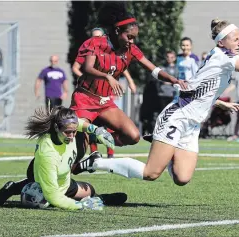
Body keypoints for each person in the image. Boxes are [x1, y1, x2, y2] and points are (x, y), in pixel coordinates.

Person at [72, 18, 239, 186]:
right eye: (235, 39)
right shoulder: (224, 59)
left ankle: (165, 145)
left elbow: (202, 88)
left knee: (182, 178)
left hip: (193, 123)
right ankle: (98, 162)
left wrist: (218, 103)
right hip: (178, 116)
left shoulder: (225, 57)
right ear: (221, 42)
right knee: (150, 173)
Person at [70, 2, 186, 162]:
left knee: (133, 136)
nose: (132, 41)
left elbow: (153, 69)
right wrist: (107, 77)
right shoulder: (96, 43)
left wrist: (174, 80)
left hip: (105, 102)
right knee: (79, 153)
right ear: (117, 31)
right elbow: (87, 68)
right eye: (129, 37)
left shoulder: (131, 50)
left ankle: (99, 137)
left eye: (134, 38)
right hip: (84, 99)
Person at [0, 106, 127, 209]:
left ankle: (97, 197)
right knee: (44, 201)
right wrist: (81, 206)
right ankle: (14, 188)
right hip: (43, 178)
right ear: (56, 128)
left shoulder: (67, 127)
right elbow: (53, 196)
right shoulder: (48, 153)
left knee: (90, 189)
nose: (72, 135)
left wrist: (96, 130)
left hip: (62, 179)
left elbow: (77, 123)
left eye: (74, 131)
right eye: (68, 132)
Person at [72, 27, 136, 158]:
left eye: (99, 36)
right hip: (87, 97)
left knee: (125, 133)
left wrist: (130, 81)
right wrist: (86, 78)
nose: (97, 39)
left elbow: (121, 67)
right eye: (94, 37)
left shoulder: (112, 51)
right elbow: (78, 67)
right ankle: (91, 154)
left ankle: (109, 152)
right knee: (82, 138)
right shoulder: (89, 50)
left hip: (105, 98)